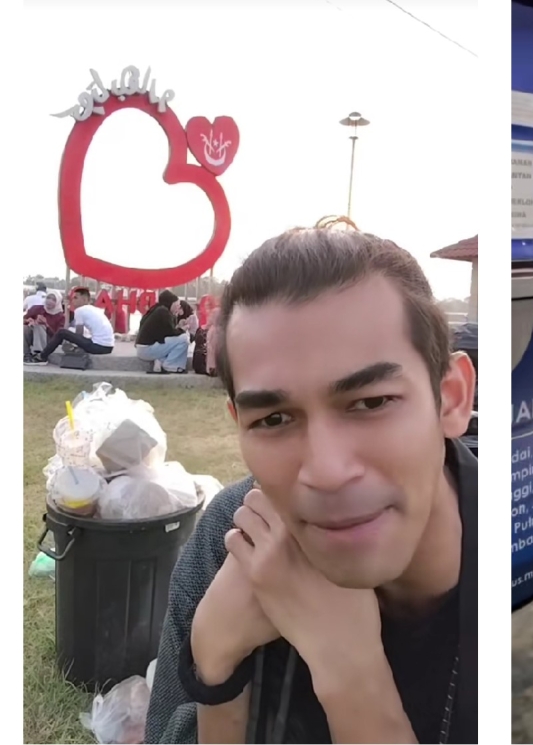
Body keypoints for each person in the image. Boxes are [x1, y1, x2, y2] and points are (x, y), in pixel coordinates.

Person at [145, 227, 478, 744]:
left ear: (451, 398)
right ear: (239, 425)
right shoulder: (232, 540)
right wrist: (216, 659)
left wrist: (350, 674)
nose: (326, 471)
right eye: (274, 419)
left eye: (371, 402)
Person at [30, 287, 115, 363]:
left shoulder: (80, 310)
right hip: (108, 347)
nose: (72, 300)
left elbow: (79, 334)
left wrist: (70, 342)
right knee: (67, 332)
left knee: (61, 332)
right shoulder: (95, 309)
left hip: (98, 347)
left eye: (75, 298)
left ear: (84, 300)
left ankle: (42, 356)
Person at [135, 290, 190, 374]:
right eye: (177, 305)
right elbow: (171, 333)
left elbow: (166, 332)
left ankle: (160, 361)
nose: (178, 308)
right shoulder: (163, 312)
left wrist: (178, 325)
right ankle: (171, 365)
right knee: (184, 338)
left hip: (144, 349)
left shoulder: (156, 309)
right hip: (147, 350)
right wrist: (183, 329)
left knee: (179, 338)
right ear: (170, 303)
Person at [23, 291, 65, 362]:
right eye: (48, 298)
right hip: (34, 337)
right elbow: (24, 319)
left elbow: (58, 336)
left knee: (39, 326)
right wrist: (28, 321)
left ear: (58, 302)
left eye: (54, 300)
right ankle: (27, 354)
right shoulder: (37, 308)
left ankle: (39, 355)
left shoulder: (60, 316)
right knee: (24, 328)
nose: (50, 301)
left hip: (49, 341)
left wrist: (46, 325)